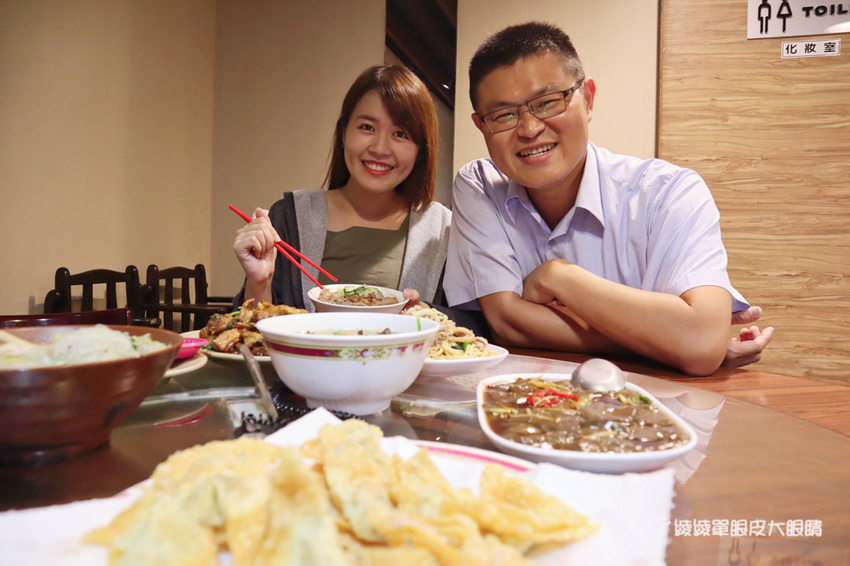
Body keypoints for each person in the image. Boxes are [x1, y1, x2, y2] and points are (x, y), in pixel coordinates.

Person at [444, 22, 773, 376]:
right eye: (504, 115)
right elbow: (507, 324)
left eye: (548, 102)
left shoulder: (670, 192)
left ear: (587, 99)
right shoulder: (479, 184)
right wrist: (665, 340)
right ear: (482, 126)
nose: (528, 129)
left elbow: (700, 341)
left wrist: (559, 277)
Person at [232, 65, 451, 311]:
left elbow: (473, 327)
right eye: (367, 127)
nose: (380, 148)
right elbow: (251, 336)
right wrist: (259, 282)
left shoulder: (443, 231)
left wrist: (429, 316)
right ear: (344, 132)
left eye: (400, 133)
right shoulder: (289, 217)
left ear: (420, 150)